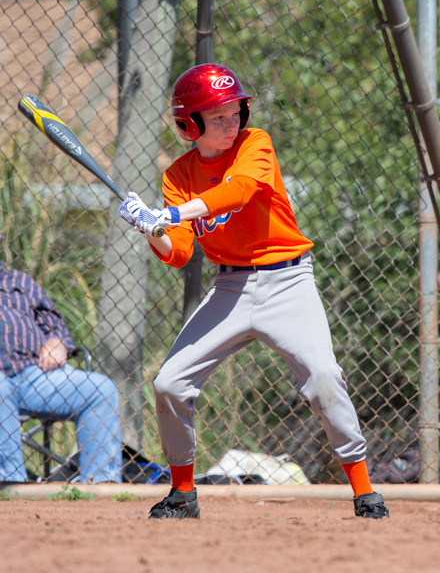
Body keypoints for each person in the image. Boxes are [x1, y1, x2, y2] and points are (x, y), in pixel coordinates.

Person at [118, 63, 388, 520]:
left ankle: (364, 492)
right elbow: (179, 252)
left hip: (288, 282)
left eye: (234, 111)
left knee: (323, 378)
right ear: (190, 124)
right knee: (169, 383)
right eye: (216, 116)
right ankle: (182, 494)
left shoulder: (255, 143)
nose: (231, 122)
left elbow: (239, 191)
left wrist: (173, 214)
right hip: (231, 286)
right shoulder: (179, 176)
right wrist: (151, 227)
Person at [0, 231, 122, 483]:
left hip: (35, 374)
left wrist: (58, 343)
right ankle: (10, 483)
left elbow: (53, 323)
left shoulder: (20, 282)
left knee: (100, 389)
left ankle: (100, 484)